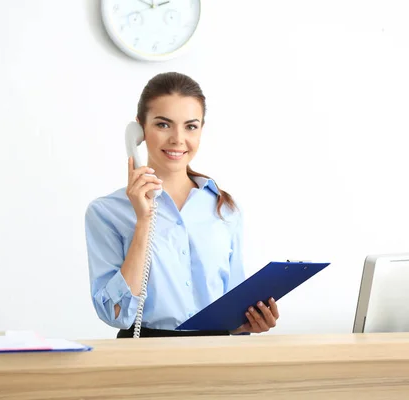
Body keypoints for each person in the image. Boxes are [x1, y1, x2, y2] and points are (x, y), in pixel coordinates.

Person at [84, 72, 279, 338]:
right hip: (145, 352)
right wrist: (143, 222)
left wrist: (247, 322)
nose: (178, 138)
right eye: (163, 125)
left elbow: (233, 306)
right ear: (139, 130)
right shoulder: (106, 213)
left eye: (190, 126)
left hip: (215, 353)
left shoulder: (225, 209)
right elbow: (114, 314)